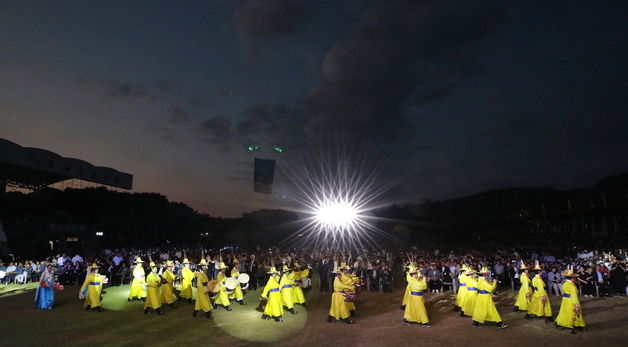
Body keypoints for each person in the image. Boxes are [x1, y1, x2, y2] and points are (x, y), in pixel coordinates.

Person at [555, 266, 586, 332]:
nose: (575, 279)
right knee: (574, 313)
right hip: (571, 301)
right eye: (574, 277)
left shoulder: (565, 283)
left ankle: (561, 323)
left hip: (565, 300)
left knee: (564, 312)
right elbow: (574, 296)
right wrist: (576, 304)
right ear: (572, 278)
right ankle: (577, 325)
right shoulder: (572, 286)